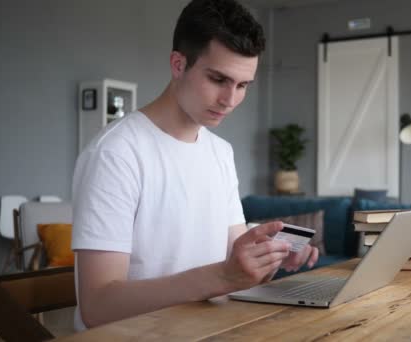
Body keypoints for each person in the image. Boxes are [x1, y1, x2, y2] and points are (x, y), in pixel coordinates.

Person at [71, 0, 318, 330]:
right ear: (178, 64)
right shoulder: (115, 153)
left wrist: (269, 260)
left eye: (242, 85)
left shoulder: (220, 153)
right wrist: (221, 275)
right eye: (218, 79)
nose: (230, 100)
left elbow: (236, 273)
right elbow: (98, 307)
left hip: (210, 332)